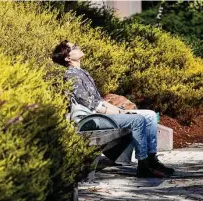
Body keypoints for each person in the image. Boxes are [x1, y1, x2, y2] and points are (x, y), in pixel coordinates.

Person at [52, 40, 175, 178]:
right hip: (89, 120)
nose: (78, 46)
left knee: (150, 115)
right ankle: (143, 165)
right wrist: (120, 112)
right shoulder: (71, 75)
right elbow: (94, 106)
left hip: (97, 116)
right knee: (137, 120)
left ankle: (152, 159)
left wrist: (121, 111)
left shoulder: (82, 72)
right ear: (68, 58)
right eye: (73, 47)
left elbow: (100, 101)